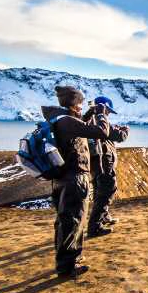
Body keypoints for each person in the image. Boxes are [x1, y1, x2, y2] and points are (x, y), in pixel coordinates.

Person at [41, 85, 110, 277]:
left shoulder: (59, 119)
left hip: (62, 179)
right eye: (80, 103)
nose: (81, 106)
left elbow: (79, 126)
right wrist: (103, 115)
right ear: (73, 104)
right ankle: (68, 266)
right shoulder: (67, 122)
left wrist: (89, 113)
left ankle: (65, 261)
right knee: (74, 221)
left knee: (64, 221)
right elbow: (101, 132)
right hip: (74, 179)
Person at [84, 96, 128, 237]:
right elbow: (119, 136)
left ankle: (104, 216)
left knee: (99, 191)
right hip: (104, 164)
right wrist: (125, 130)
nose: (108, 113)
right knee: (107, 191)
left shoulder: (91, 120)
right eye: (107, 110)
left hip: (96, 165)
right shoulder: (100, 121)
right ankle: (95, 227)